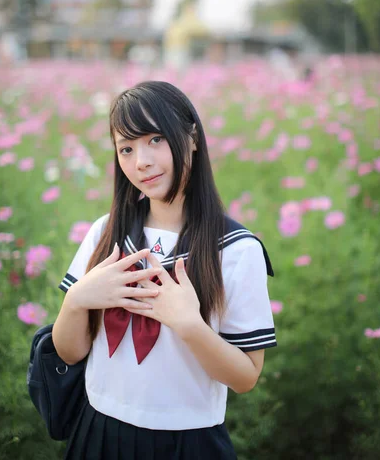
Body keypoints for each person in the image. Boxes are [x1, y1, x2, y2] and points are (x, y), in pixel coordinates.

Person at [52, 81, 277, 460]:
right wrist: (75, 302)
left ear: (191, 138)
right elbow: (71, 352)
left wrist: (190, 326)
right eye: (126, 148)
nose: (140, 161)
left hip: (188, 441)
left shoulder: (236, 250)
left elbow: (246, 377)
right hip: (98, 430)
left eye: (155, 139)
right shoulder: (106, 235)